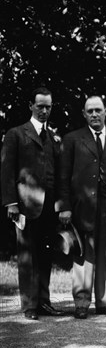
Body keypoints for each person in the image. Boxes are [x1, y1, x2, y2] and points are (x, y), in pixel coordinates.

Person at [57, 95, 106, 319]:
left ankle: (105, 302)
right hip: (83, 204)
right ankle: (82, 303)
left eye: (98, 110)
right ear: (84, 114)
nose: (94, 114)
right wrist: (64, 206)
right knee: (84, 254)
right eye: (90, 111)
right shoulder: (72, 139)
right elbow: (63, 178)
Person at [1, 87, 64, 320]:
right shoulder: (16, 134)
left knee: (46, 254)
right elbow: (7, 171)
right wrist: (11, 203)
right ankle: (29, 305)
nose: (45, 110)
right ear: (31, 106)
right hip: (25, 205)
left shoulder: (54, 137)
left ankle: (44, 302)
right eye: (40, 106)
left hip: (49, 207)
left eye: (48, 106)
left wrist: (60, 203)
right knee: (27, 255)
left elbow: (58, 173)